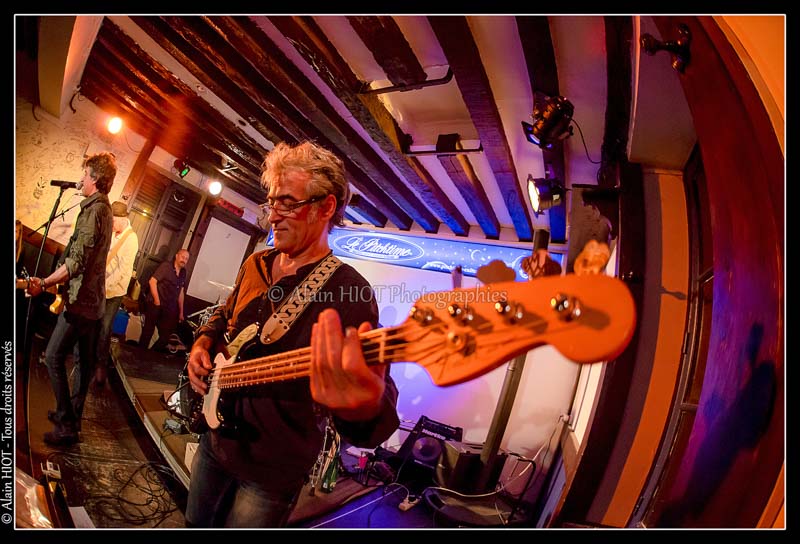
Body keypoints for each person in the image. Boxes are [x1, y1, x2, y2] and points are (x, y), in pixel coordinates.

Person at [185, 141, 399, 527]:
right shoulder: (256, 262)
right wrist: (202, 341)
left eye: (287, 203)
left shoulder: (350, 292)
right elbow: (226, 313)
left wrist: (365, 406)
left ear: (326, 207)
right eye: (272, 203)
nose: (272, 216)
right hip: (214, 440)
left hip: (271, 471)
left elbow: (376, 400)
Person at [26, 151, 116, 446]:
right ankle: (72, 418)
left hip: (81, 304)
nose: (81, 179)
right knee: (83, 363)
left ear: (95, 179)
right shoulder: (102, 209)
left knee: (53, 356)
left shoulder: (94, 212)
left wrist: (44, 282)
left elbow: (76, 262)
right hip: (93, 304)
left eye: (85, 174)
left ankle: (66, 423)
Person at [78, 200, 139, 386]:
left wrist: (103, 287)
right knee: (92, 324)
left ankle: (101, 365)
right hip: (101, 286)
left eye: (113, 221)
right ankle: (87, 361)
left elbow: (122, 272)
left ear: (122, 219)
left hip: (114, 291)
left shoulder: (131, 240)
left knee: (105, 328)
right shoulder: (113, 232)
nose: (111, 225)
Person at [139, 248, 189, 352]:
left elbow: (181, 292)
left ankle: (150, 355)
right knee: (147, 333)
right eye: (182, 257)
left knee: (165, 337)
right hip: (155, 304)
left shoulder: (183, 272)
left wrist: (181, 312)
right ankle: (138, 355)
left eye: (186, 259)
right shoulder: (166, 266)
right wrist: (157, 301)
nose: (184, 260)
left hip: (168, 308)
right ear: (176, 256)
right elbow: (152, 282)